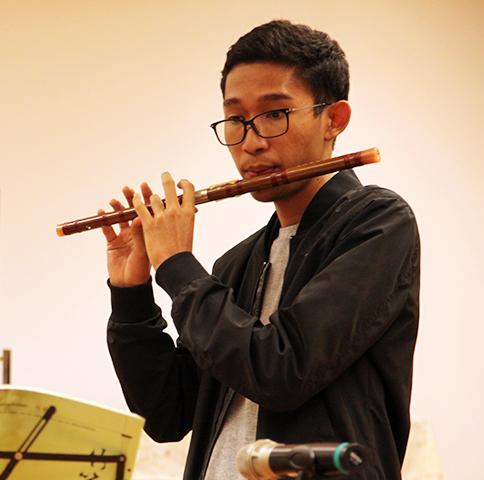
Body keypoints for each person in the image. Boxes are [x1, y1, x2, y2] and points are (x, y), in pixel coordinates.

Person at [104, 20, 419, 479]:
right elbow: (168, 413)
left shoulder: (377, 223)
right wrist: (130, 291)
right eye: (236, 120)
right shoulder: (236, 265)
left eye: (275, 114)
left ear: (334, 119)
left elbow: (280, 370)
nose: (251, 141)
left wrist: (176, 265)